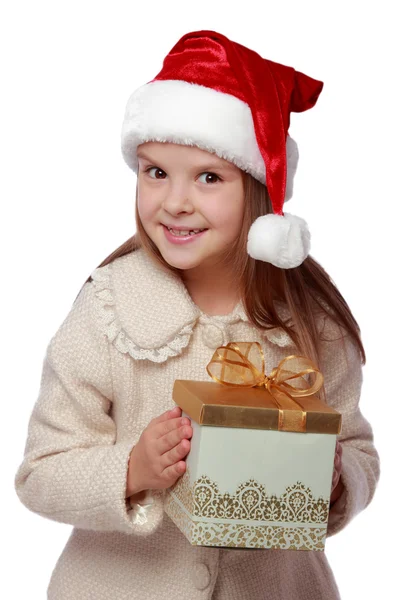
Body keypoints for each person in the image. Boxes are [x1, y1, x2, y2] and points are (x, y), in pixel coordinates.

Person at [14, 29, 380, 600]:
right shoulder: (109, 309)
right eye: (155, 171)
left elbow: (358, 450)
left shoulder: (310, 321)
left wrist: (336, 478)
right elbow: (41, 473)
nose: (175, 200)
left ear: (260, 190)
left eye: (209, 177)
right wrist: (132, 469)